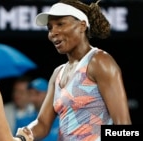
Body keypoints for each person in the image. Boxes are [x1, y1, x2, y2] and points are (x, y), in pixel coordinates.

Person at [16, 0, 132, 140]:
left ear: (82, 25)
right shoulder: (57, 73)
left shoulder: (100, 61)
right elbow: (42, 124)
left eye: (60, 24)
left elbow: (124, 126)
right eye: (50, 27)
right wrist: (22, 137)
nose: (53, 33)